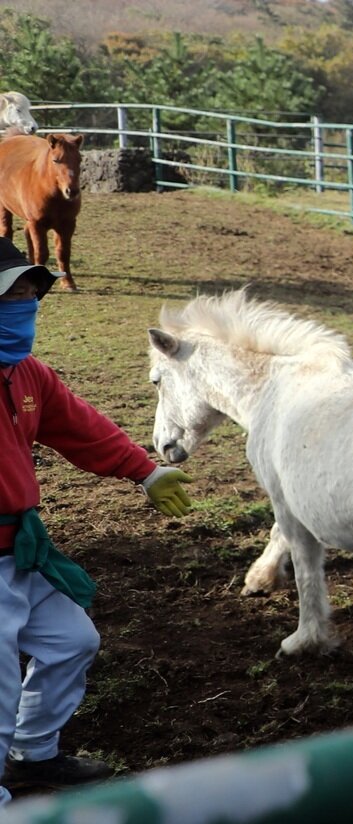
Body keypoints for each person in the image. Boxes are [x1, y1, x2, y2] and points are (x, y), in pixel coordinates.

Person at [0, 238, 194, 804]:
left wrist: (147, 473)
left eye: (31, 296)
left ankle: (32, 756)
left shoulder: (27, 374)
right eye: (12, 296)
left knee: (71, 640)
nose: (24, 308)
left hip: (19, 551)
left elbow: (80, 426)